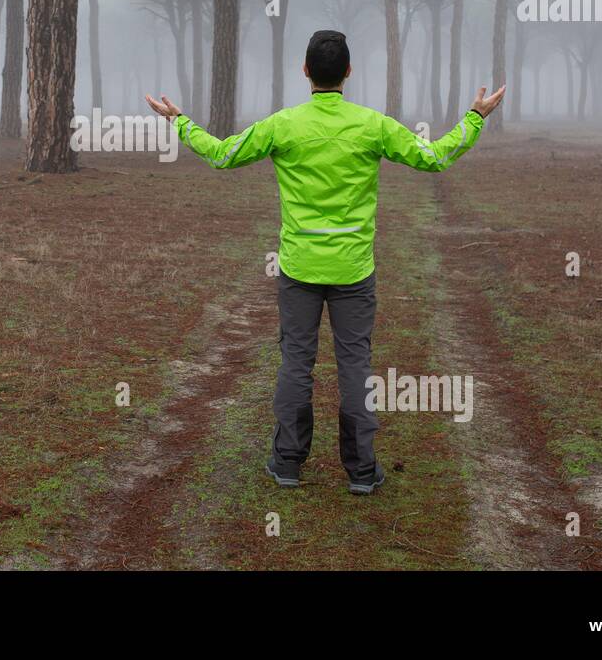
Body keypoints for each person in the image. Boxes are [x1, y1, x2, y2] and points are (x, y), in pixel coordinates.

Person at [145, 30, 504, 495]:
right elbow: (434, 157)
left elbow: (222, 155)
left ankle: (288, 463)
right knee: (355, 366)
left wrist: (179, 122)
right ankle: (360, 471)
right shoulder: (372, 125)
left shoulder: (284, 125)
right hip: (354, 270)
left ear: (306, 71)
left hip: (298, 268)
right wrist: (475, 117)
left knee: (297, 363)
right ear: (349, 72)